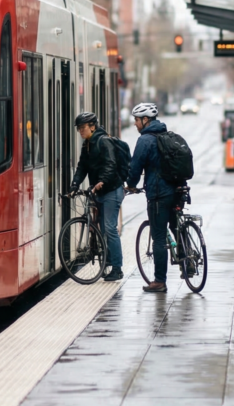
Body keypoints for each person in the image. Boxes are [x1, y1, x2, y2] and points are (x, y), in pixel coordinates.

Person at [125, 101, 182, 294]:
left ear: (145, 120)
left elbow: (135, 168)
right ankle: (188, 261)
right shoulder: (169, 135)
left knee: (158, 238)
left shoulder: (145, 141)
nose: (135, 123)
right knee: (176, 228)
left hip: (158, 194)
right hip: (178, 191)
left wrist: (131, 185)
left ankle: (159, 281)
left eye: (137, 120)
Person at [69, 111, 124, 280]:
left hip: (112, 190)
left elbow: (111, 164)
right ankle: (106, 262)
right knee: (102, 228)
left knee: (109, 228)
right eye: (78, 129)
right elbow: (82, 167)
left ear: (92, 127)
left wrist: (102, 181)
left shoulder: (104, 141)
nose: (80, 131)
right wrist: (74, 184)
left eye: (83, 128)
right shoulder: (87, 145)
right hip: (99, 192)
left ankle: (117, 268)